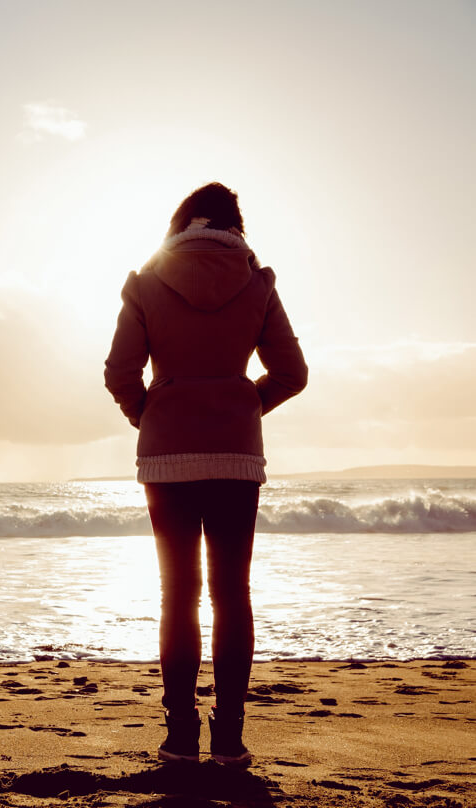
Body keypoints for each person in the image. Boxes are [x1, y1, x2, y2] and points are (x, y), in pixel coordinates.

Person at [103, 182, 307, 765]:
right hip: (235, 457)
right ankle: (231, 737)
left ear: (180, 224)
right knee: (232, 594)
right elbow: (291, 373)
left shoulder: (145, 283)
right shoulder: (258, 282)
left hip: (166, 456)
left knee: (178, 595)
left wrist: (152, 410)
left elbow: (121, 372)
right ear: (233, 225)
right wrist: (242, 407)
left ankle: (180, 735)